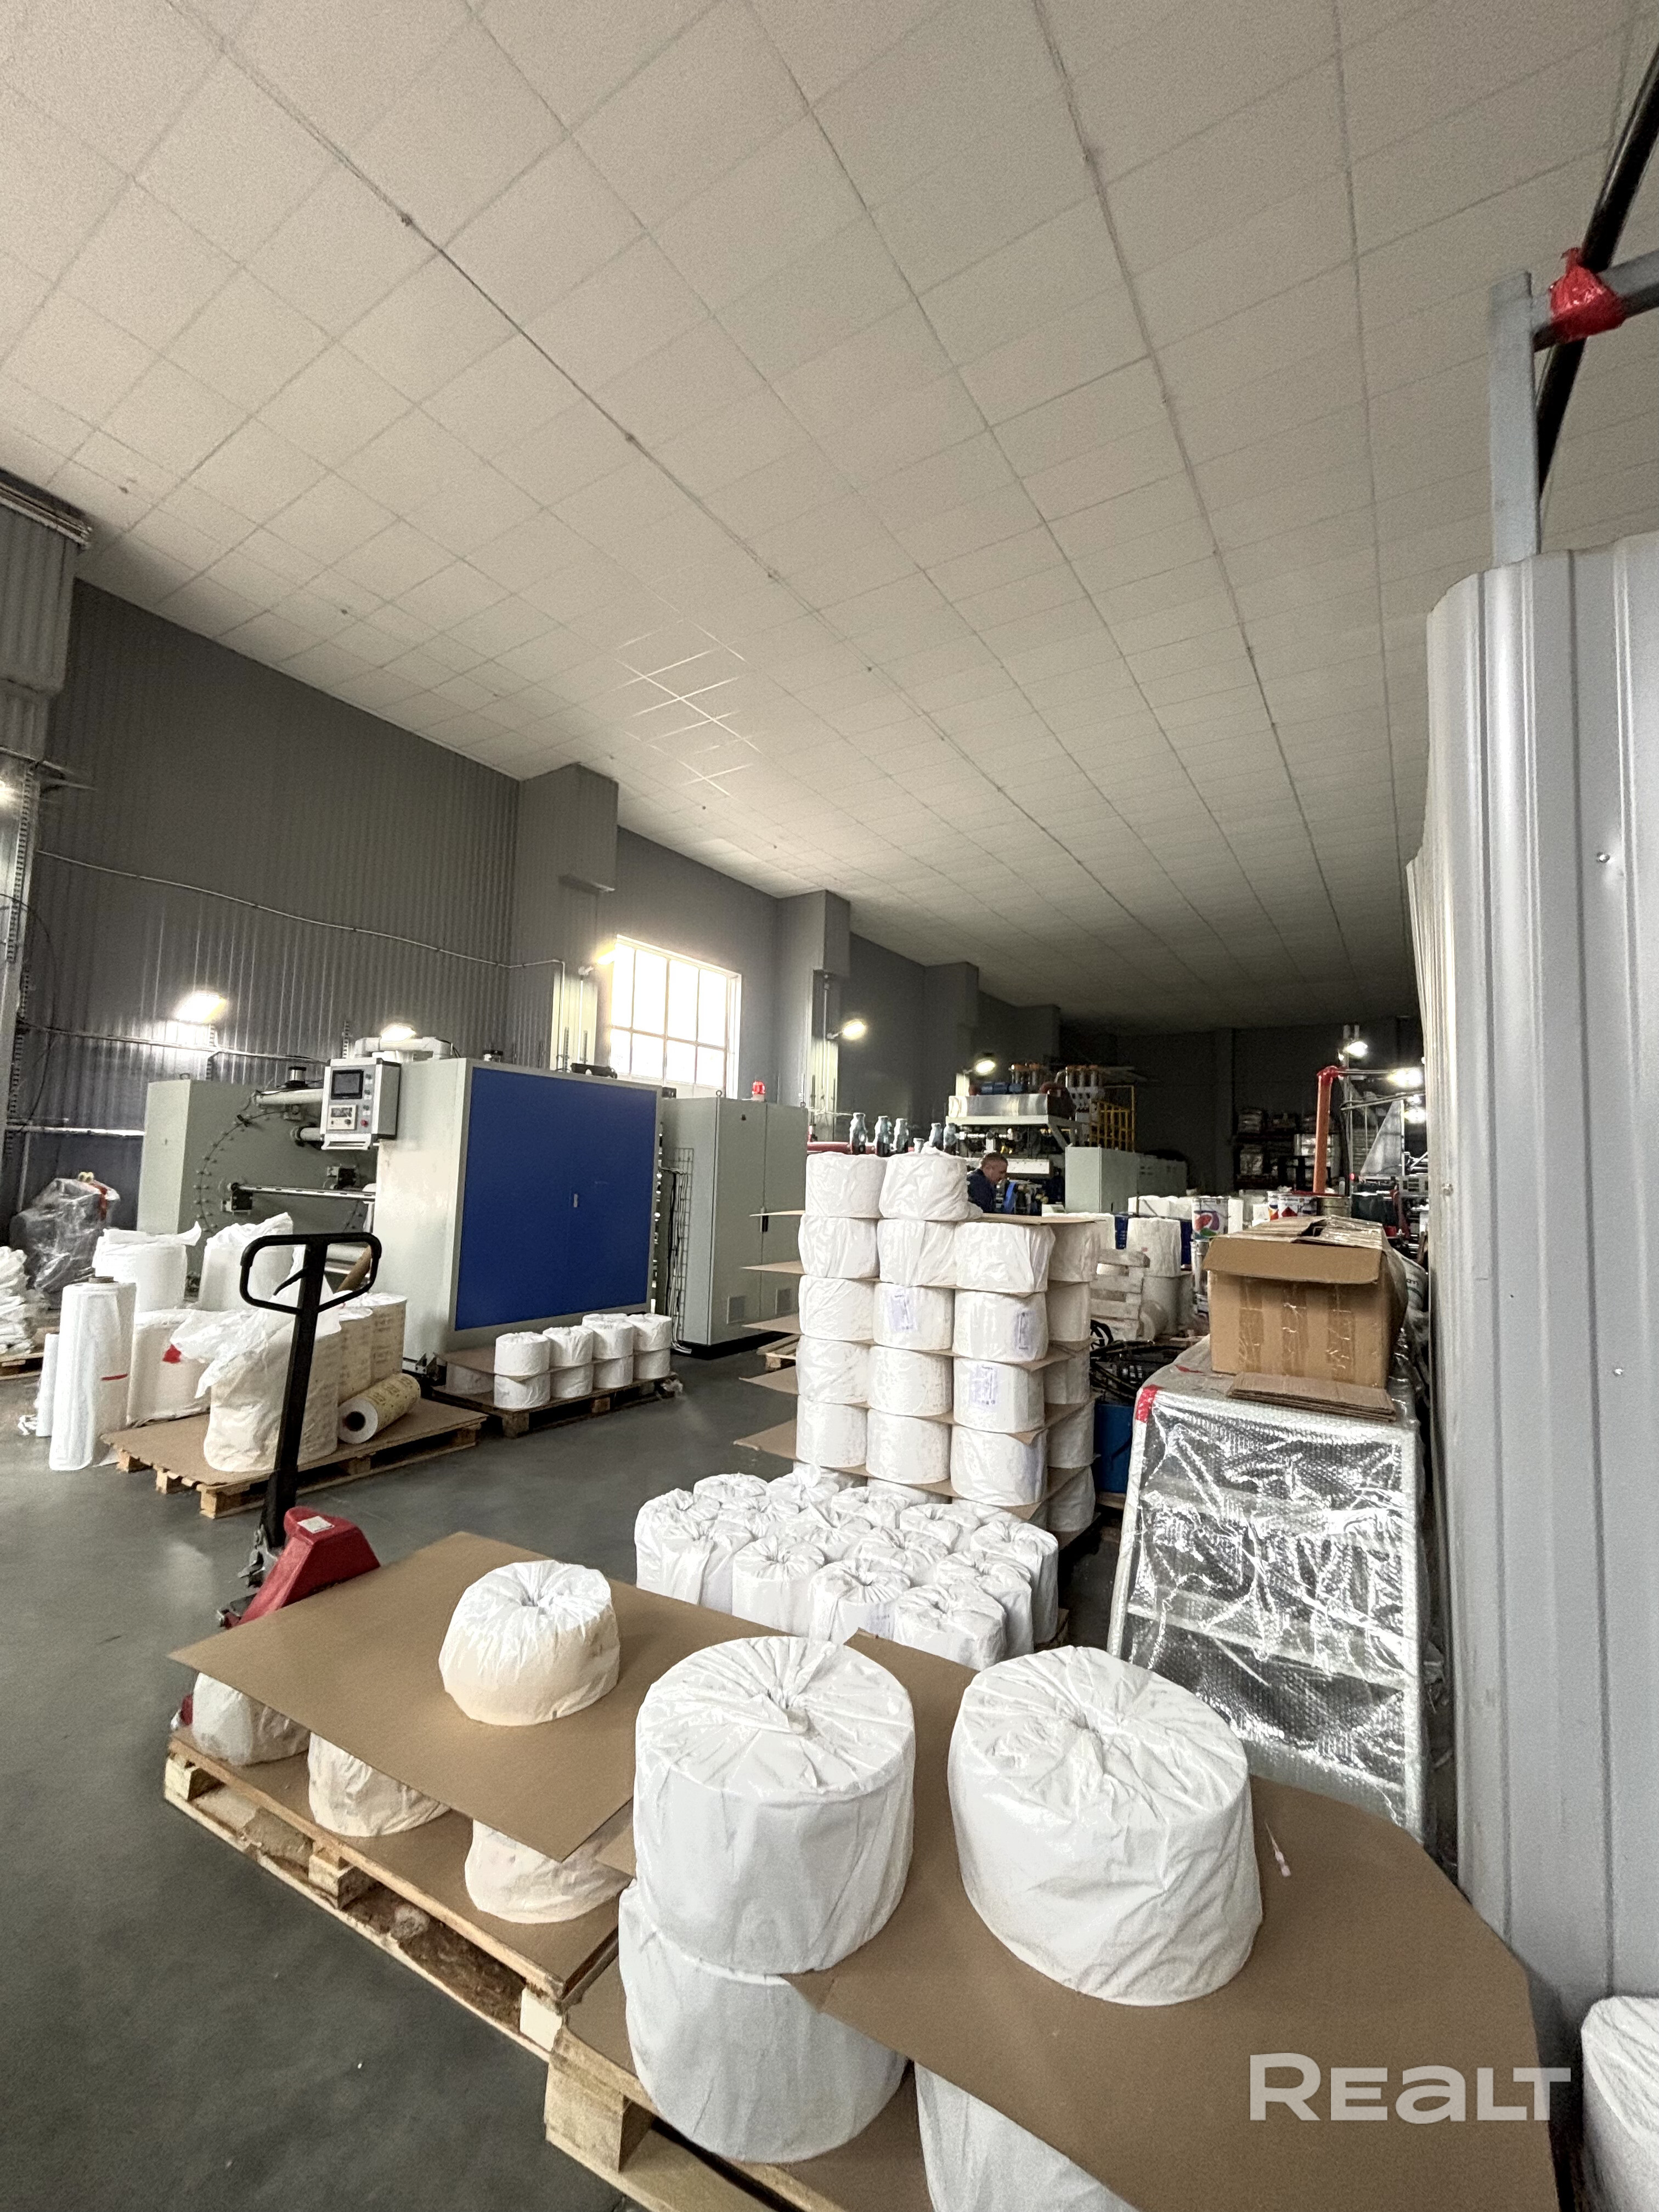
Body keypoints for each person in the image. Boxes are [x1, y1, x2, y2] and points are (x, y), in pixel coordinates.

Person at [967, 1149, 1010, 1214]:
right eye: (1001, 1172)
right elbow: (985, 1211)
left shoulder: (978, 1179)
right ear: (988, 1168)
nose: (1003, 1177)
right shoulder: (979, 1182)